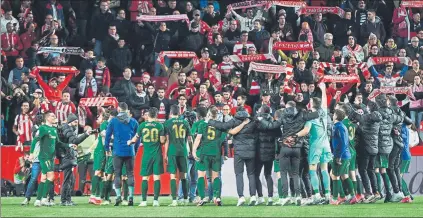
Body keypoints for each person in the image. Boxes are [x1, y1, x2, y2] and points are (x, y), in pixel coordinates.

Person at [291, 82, 332, 205]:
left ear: (312, 104)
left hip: (316, 145)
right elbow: (324, 101)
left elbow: (306, 131)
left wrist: (295, 135)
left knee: (313, 170)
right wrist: (323, 90)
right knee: (324, 170)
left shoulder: (311, 116)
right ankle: (328, 194)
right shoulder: (324, 112)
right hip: (326, 144)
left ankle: (317, 195)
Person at [208, 107, 257, 206]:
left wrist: (211, 122)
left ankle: (241, 197)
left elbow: (223, 126)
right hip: (251, 151)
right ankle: (253, 196)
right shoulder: (252, 121)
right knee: (251, 175)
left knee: (239, 174)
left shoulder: (234, 120)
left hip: (239, 151)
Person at [193, 106, 238, 206]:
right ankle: (216, 197)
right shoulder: (220, 126)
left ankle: (201, 197)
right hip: (216, 153)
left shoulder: (202, 124)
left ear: (209, 114)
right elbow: (229, 136)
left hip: (203, 153)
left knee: (201, 175)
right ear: (217, 115)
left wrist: (193, 151)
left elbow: (198, 139)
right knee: (215, 176)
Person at [129, 107, 165, 207]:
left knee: (145, 178)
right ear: (156, 115)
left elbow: (135, 139)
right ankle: (155, 201)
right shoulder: (159, 126)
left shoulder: (142, 125)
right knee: (156, 177)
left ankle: (144, 201)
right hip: (157, 154)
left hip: (147, 154)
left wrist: (129, 142)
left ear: (148, 115)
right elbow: (162, 141)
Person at [33, 111, 71, 207]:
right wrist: (31, 153)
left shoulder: (54, 129)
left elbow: (58, 143)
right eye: (52, 116)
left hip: (51, 157)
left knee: (44, 178)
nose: (54, 117)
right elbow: (35, 140)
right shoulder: (42, 128)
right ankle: (44, 199)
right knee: (51, 176)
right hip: (44, 157)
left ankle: (38, 200)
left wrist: (69, 145)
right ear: (47, 118)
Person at [105, 102, 138, 206]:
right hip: (129, 150)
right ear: (127, 110)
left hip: (117, 151)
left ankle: (118, 197)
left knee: (117, 174)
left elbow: (107, 135)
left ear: (119, 109)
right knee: (130, 174)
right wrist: (135, 149)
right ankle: (131, 197)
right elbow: (138, 137)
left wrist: (107, 147)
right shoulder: (133, 121)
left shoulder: (113, 121)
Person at [59, 113, 92, 206]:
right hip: (67, 157)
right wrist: (86, 134)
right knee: (67, 179)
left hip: (69, 156)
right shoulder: (67, 129)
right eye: (75, 121)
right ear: (70, 122)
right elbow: (75, 141)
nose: (76, 123)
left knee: (71, 179)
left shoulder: (70, 129)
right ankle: (64, 200)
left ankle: (67, 199)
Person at [164, 105, 192, 206]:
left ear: (171, 113)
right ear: (179, 112)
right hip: (183, 151)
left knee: (173, 176)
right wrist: (191, 150)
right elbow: (189, 138)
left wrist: (165, 154)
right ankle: (185, 199)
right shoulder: (185, 122)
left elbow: (166, 140)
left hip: (172, 151)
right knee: (183, 176)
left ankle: (174, 200)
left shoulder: (167, 123)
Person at [329, 109, 354, 205]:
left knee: (335, 176)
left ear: (336, 116)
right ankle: (349, 196)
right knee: (343, 176)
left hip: (341, 155)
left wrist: (338, 156)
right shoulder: (340, 126)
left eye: (334, 114)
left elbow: (343, 142)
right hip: (344, 155)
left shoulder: (338, 127)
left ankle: (335, 199)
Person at [89, 111, 110, 205]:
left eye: (99, 117)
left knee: (101, 174)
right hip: (102, 152)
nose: (97, 119)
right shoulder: (105, 124)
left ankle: (97, 196)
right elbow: (104, 138)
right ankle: (94, 196)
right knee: (98, 173)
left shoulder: (104, 124)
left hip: (100, 151)